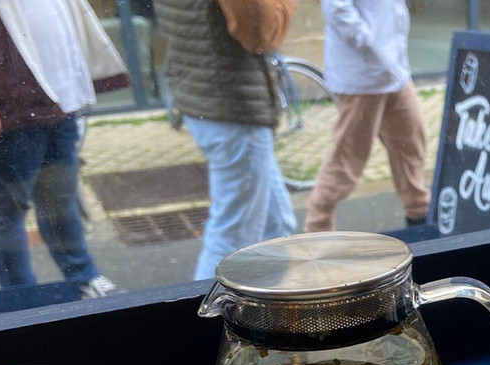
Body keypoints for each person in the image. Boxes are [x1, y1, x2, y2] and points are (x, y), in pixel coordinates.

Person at [0, 0, 129, 298]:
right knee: (4, 211)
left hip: (55, 98)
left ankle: (83, 279)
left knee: (59, 200)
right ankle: (20, 298)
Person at [155, 0, 297, 282]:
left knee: (276, 227)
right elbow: (260, 32)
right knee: (233, 243)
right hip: (232, 106)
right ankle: (205, 309)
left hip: (206, 96)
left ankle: (273, 305)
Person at [304, 0, 430, 232]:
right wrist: (367, 41)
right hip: (362, 76)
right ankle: (317, 228)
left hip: (394, 71)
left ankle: (419, 217)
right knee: (348, 157)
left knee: (411, 145)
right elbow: (336, 7)